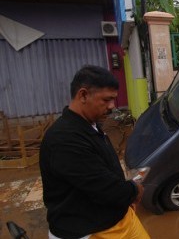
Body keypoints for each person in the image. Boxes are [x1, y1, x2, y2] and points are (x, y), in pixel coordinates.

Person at [40, 65, 150, 239]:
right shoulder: (64, 139)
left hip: (116, 219)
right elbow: (102, 187)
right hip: (88, 230)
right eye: (106, 100)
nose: (112, 106)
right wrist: (133, 190)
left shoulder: (89, 125)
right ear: (83, 95)